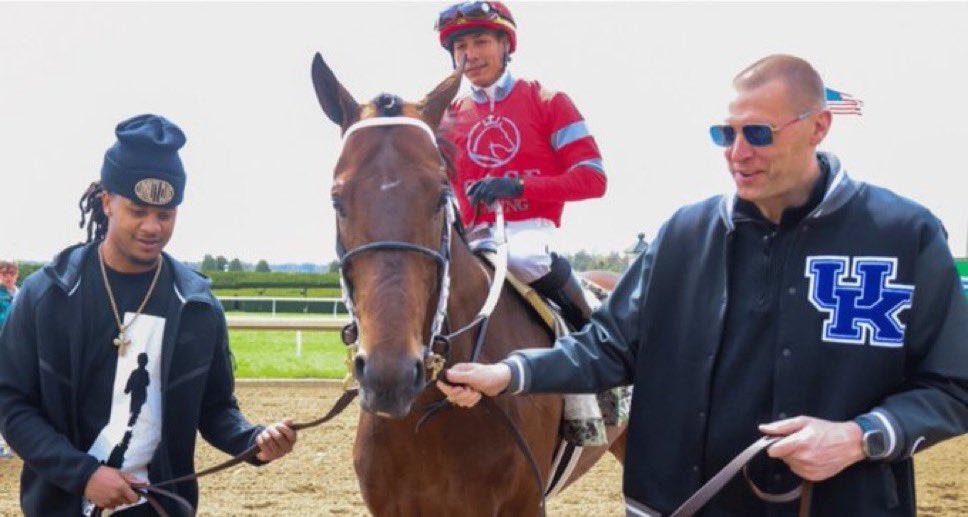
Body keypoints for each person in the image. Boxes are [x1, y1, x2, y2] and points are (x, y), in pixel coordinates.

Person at [439, 55, 968, 516]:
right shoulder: (682, 235)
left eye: (758, 133)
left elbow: (953, 387)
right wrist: (508, 372)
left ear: (818, 127)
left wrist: (860, 437)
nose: (737, 152)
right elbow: (609, 347)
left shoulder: (905, 235)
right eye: (725, 134)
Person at [0, 114, 298, 516]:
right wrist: (84, 475)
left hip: (161, 508)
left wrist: (254, 440)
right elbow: (12, 404)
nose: (152, 227)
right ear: (107, 202)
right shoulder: (47, 295)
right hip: (59, 506)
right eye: (138, 211)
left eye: (165, 214)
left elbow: (215, 409)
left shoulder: (197, 307)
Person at [435, 1, 607, 331]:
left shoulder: (547, 100)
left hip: (529, 231)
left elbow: (593, 178)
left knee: (524, 257)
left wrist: (518, 186)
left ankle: (598, 329)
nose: (470, 55)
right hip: (470, 236)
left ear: (505, 44)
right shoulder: (447, 118)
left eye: (481, 42)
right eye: (460, 47)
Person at [0, 260, 16, 458]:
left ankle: (11, 442)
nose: (8, 277)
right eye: (4, 273)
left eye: (11, 273)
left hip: (16, 352)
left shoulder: (21, 293)